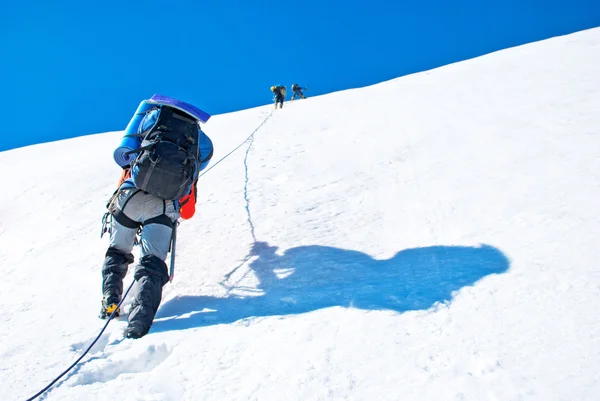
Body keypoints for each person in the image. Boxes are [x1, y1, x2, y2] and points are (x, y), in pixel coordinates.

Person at [100, 96, 213, 339]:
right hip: (162, 205)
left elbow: (127, 154)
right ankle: (139, 323)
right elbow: (194, 173)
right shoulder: (201, 140)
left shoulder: (150, 119)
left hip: (130, 196)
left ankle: (110, 297)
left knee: (118, 251)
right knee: (152, 262)